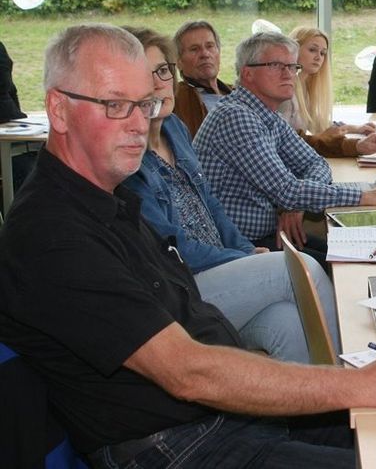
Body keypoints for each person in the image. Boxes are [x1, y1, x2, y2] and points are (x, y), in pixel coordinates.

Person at [0, 23, 376, 466]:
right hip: (172, 445)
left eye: (144, 103)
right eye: (115, 105)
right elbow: (187, 371)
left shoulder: (111, 195)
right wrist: (361, 384)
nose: (137, 123)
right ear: (58, 109)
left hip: (222, 420)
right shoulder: (53, 233)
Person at [120, 26, 339, 363]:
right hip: (180, 288)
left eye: (163, 70)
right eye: (144, 74)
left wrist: (245, 248)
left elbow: (211, 207)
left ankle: (314, 411)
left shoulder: (175, 129)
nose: (157, 84)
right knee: (300, 268)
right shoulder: (128, 158)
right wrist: (242, 258)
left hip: (220, 265)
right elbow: (173, 249)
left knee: (287, 321)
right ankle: (351, 384)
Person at [193, 32, 376, 260]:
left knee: (364, 252)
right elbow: (287, 191)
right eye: (276, 65)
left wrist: (295, 204)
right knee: (351, 263)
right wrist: (367, 196)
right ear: (247, 73)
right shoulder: (236, 117)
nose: (288, 74)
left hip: (268, 235)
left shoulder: (266, 115)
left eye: (292, 67)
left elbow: (315, 163)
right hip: (239, 247)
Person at [285, 26, 376, 157]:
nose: (318, 57)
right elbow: (288, 142)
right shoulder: (286, 92)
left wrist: (353, 128)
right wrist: (324, 137)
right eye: (312, 50)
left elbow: (317, 123)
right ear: (294, 50)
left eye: (322, 53)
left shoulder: (305, 86)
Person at [173, 20, 233, 137]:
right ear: (179, 62)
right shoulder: (176, 98)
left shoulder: (237, 92)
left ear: (219, 53)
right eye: (194, 49)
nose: (205, 54)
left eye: (210, 46)